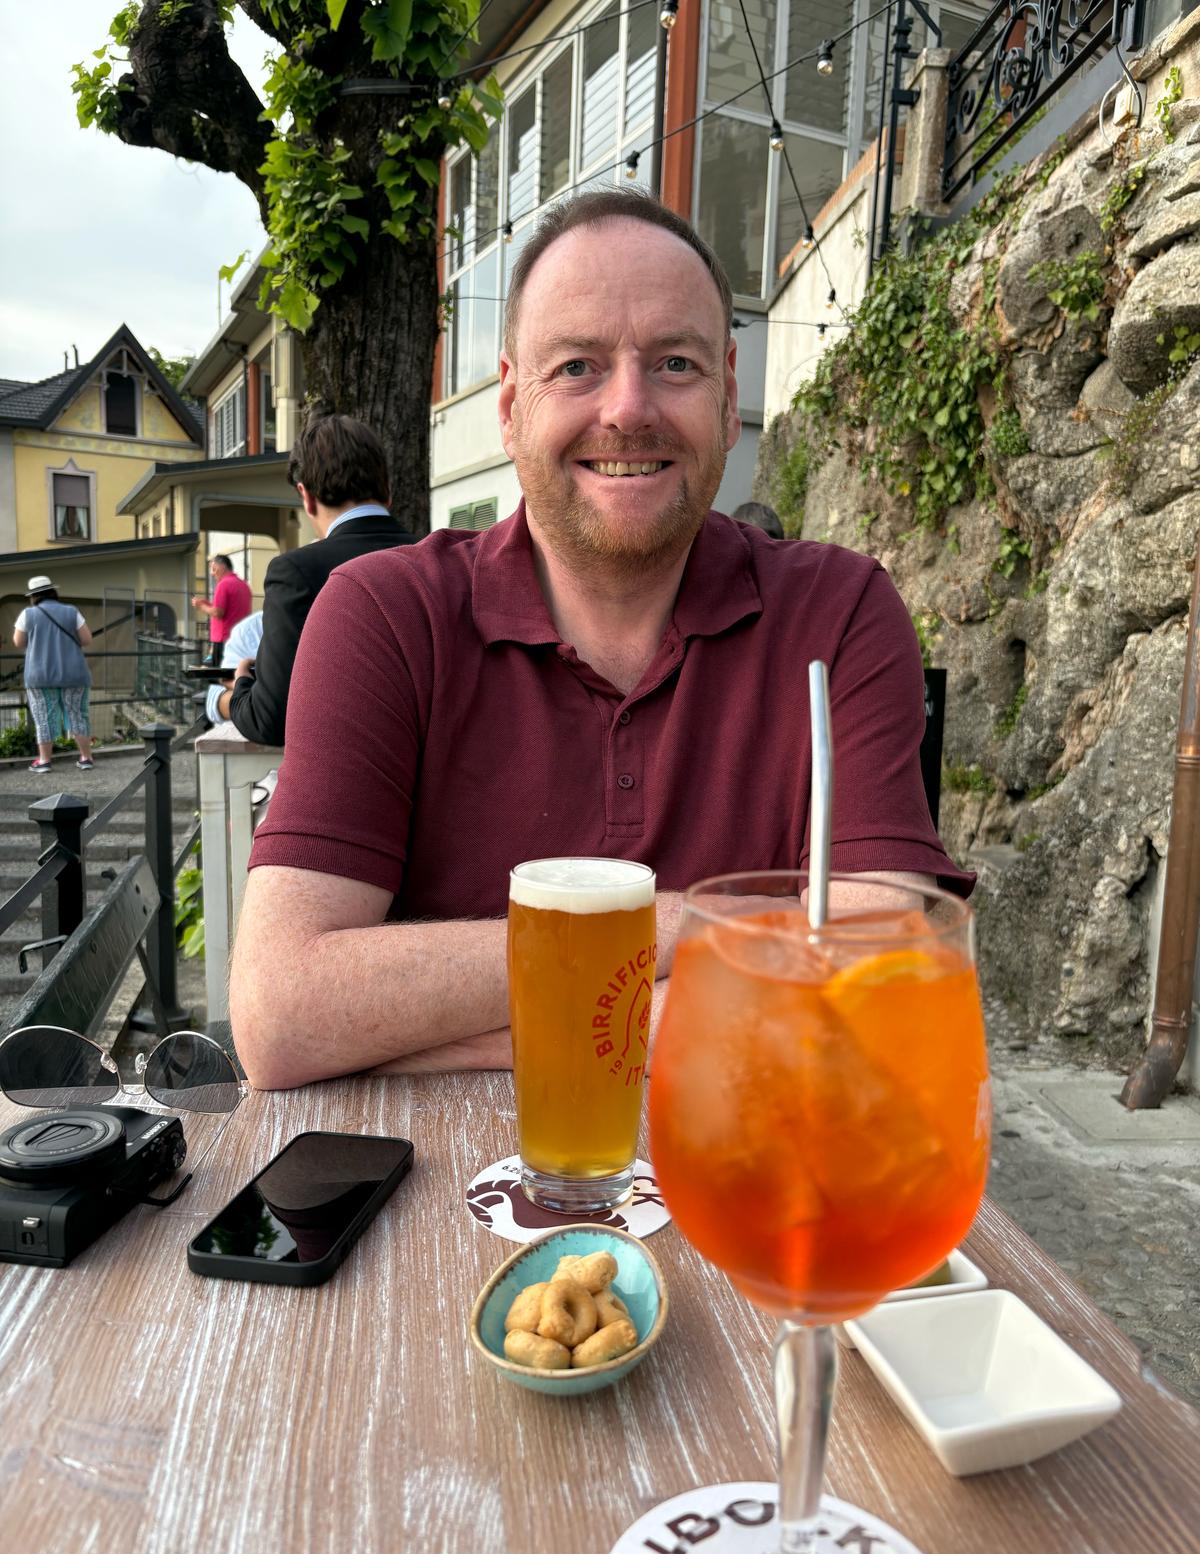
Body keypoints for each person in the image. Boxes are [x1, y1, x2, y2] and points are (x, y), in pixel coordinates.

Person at [231, 189, 971, 1091]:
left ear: (729, 390)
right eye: (578, 366)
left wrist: (427, 1020)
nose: (628, 408)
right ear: (510, 406)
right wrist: (716, 935)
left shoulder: (841, 613)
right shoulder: (384, 615)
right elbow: (282, 1015)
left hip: (758, 1191)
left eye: (674, 363)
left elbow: (883, 996)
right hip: (432, 1206)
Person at [219, 415, 416, 745]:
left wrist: (241, 685)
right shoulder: (443, 556)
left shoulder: (296, 573)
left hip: (350, 782)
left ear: (306, 496)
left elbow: (270, 719)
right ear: (387, 491)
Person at [13, 576, 94, 772]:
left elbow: (18, 642)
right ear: (53, 592)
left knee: (44, 717)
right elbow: (86, 639)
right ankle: (85, 758)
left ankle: (44, 761)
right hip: (74, 674)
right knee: (77, 715)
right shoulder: (71, 611)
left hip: (40, 676)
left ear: (33, 596)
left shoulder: (28, 614)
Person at [191, 554, 252, 667]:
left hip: (223, 640)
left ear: (223, 567)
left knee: (220, 677)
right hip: (241, 640)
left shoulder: (223, 584)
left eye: (214, 569)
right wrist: (209, 605)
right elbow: (232, 610)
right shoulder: (244, 585)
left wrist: (200, 606)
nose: (212, 573)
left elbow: (218, 613)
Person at [205, 611, 264, 727]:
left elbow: (218, 611)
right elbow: (214, 702)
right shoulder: (251, 629)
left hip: (222, 638)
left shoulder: (251, 628)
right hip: (230, 639)